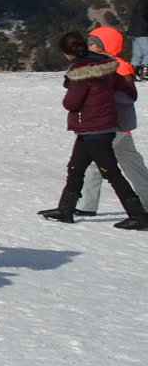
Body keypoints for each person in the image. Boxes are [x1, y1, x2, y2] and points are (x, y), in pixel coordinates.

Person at [39, 31, 148, 227]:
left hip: (95, 127)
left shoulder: (81, 72)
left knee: (110, 172)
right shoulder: (106, 65)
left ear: (67, 52)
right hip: (97, 127)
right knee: (76, 167)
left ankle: (138, 215)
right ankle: (66, 208)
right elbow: (124, 89)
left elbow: (71, 103)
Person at [79, 27, 148, 215]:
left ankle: (86, 207)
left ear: (103, 46)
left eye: (92, 43)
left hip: (114, 124)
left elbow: (129, 96)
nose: (88, 46)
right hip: (116, 125)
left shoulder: (119, 66)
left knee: (94, 163)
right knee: (132, 164)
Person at [130, 0, 148, 74]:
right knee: (147, 52)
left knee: (137, 54)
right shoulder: (144, 4)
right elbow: (143, 18)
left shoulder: (138, 3)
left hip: (135, 32)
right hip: (142, 32)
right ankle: (145, 71)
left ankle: (134, 72)